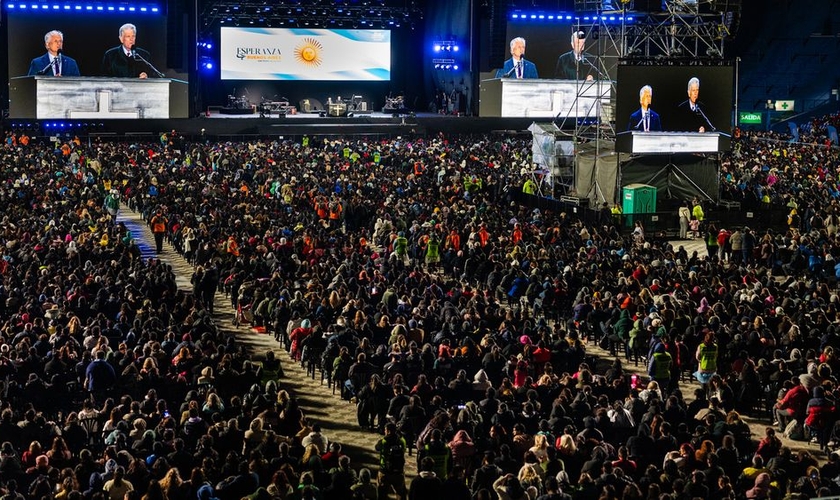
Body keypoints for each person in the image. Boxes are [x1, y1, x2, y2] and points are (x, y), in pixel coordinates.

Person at [376, 422, 407, 500]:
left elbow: (377, 448)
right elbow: (404, 449)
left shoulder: (384, 441)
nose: (384, 432)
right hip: (399, 471)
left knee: (382, 494)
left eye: (385, 430)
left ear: (388, 431)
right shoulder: (401, 440)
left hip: (385, 472)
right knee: (401, 493)